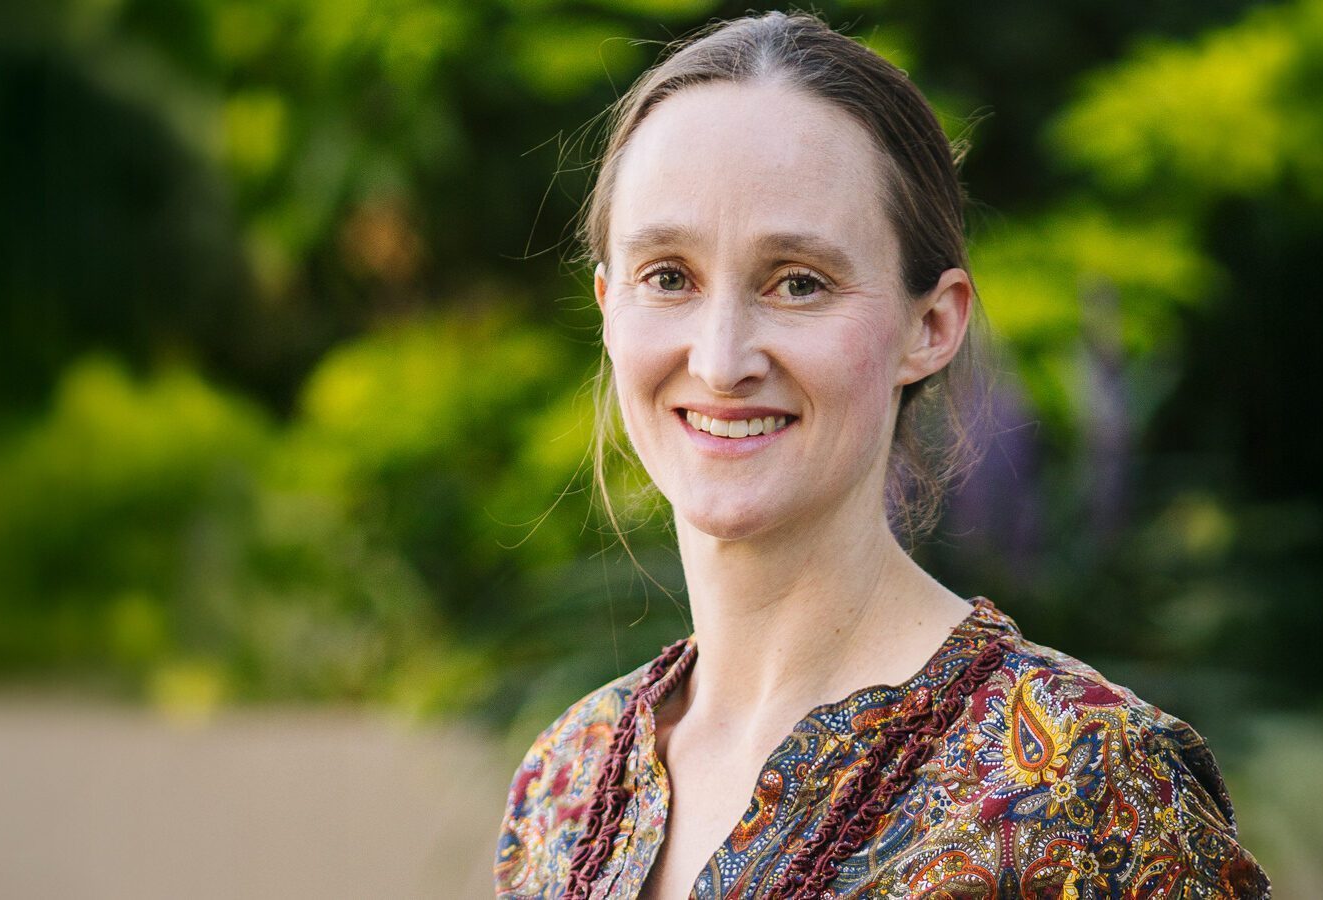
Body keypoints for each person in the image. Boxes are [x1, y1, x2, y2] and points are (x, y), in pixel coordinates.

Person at [495, 11, 1270, 899]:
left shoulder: (1087, 790)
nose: (719, 359)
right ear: (606, 306)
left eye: (799, 283)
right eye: (667, 276)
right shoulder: (564, 787)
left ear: (930, 325)